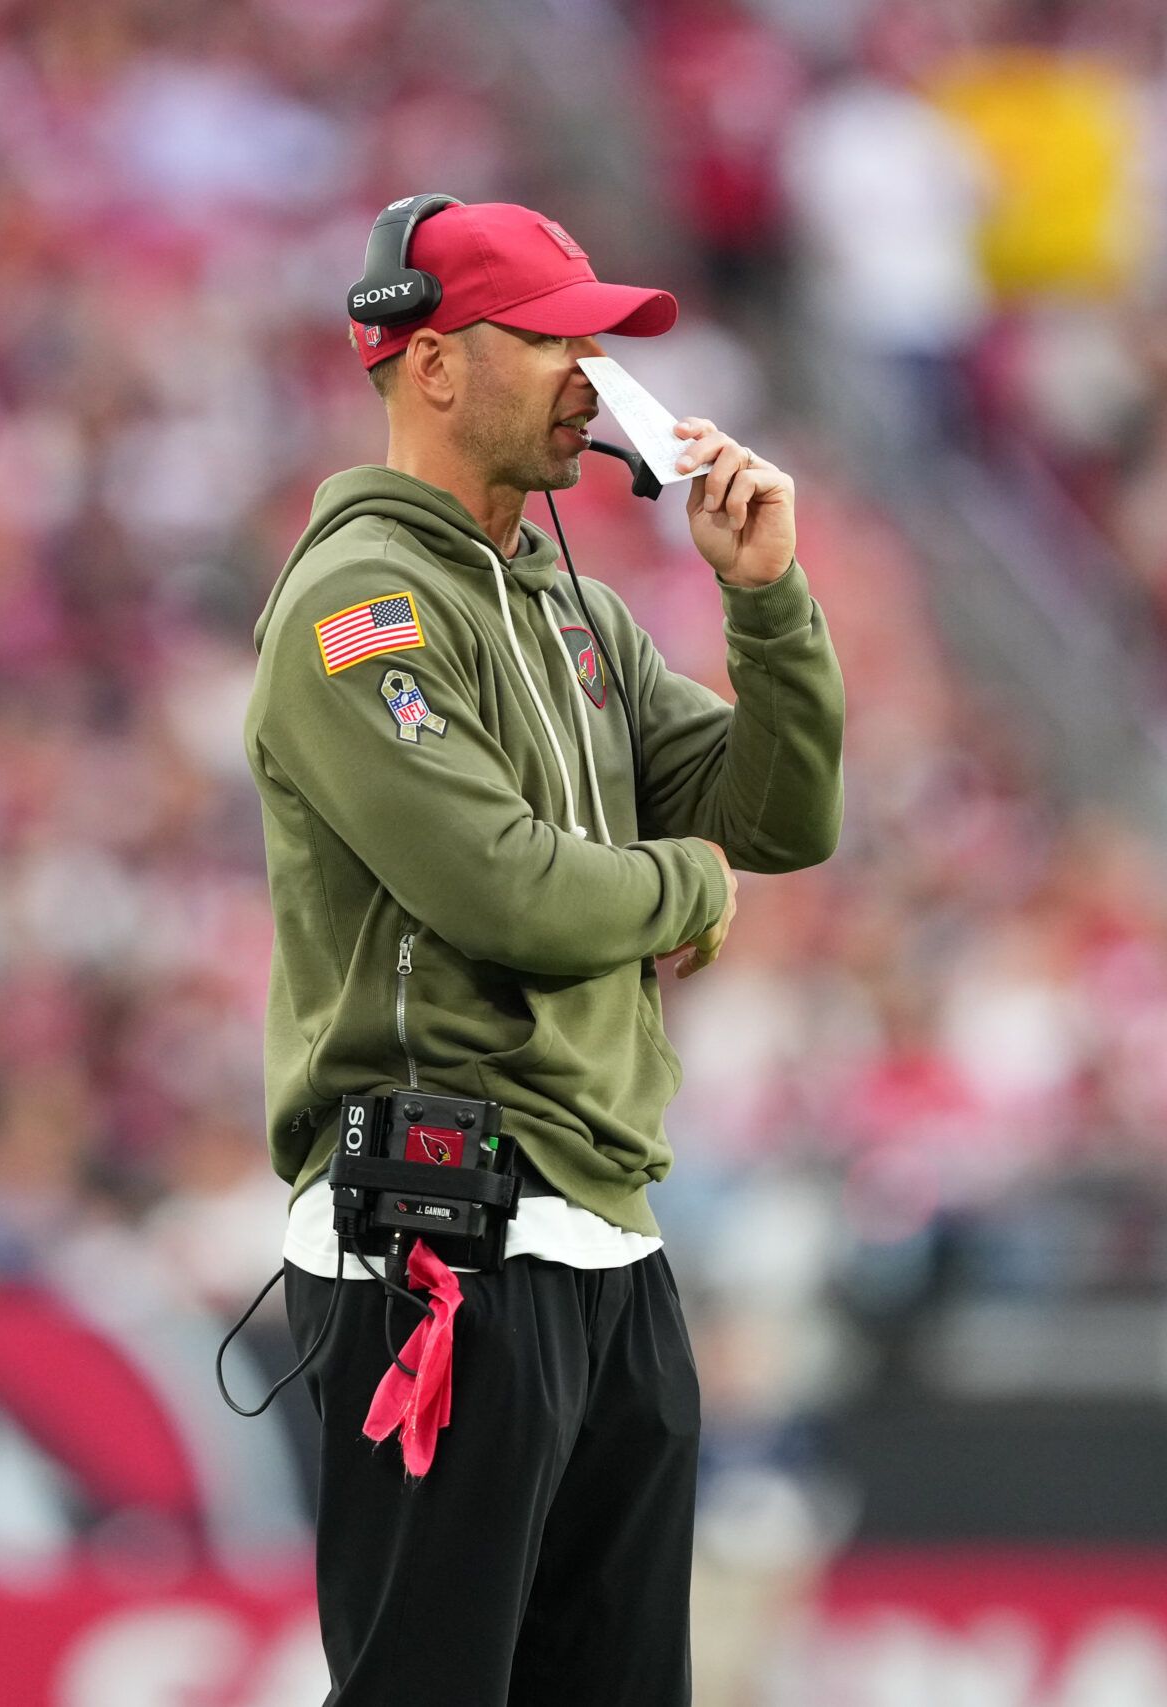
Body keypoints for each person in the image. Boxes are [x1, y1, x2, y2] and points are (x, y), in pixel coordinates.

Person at [241, 199, 845, 1707]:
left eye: (602, 344)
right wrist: (685, 893)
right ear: (433, 365)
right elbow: (501, 887)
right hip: (440, 1230)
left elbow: (783, 817)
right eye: (554, 339)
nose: (594, 376)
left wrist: (763, 602)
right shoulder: (357, 608)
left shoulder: (575, 613)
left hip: (607, 1231)